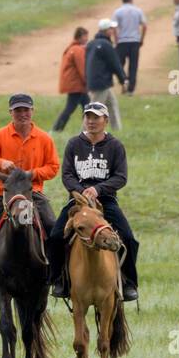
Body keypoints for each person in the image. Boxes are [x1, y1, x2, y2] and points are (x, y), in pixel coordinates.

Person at [48, 101, 139, 303]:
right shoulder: (74, 144)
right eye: (88, 117)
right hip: (77, 202)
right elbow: (67, 175)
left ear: (105, 121)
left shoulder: (115, 146)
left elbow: (121, 177)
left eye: (96, 117)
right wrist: (80, 192)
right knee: (55, 236)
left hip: (106, 200)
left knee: (128, 238)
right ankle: (58, 280)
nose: (91, 121)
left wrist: (98, 189)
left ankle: (128, 282)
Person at [0, 94, 60, 292]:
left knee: (52, 227)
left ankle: (54, 275)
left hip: (32, 193)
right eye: (18, 110)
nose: (23, 114)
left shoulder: (44, 138)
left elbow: (53, 167)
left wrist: (32, 175)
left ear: (33, 111)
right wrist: (0, 162)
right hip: (2, 193)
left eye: (26, 110)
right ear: (10, 113)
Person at [86, 19, 125, 130]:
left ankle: (117, 130)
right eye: (111, 28)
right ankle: (84, 134)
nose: (113, 30)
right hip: (101, 82)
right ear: (106, 30)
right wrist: (123, 80)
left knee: (112, 104)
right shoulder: (106, 45)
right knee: (94, 110)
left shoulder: (91, 44)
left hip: (95, 81)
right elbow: (115, 64)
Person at [52, 27, 90, 132]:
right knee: (70, 108)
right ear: (80, 36)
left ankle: (87, 129)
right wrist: (87, 82)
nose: (87, 38)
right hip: (76, 85)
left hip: (75, 85)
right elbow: (82, 68)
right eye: (86, 36)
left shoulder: (72, 48)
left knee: (87, 107)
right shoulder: (77, 50)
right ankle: (56, 128)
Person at [112, 0, 147, 94]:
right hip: (135, 41)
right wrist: (142, 39)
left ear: (122, 0)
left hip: (122, 41)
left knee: (119, 65)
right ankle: (131, 89)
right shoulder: (138, 11)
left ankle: (124, 81)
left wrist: (116, 39)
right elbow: (144, 26)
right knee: (133, 66)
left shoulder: (118, 12)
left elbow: (113, 27)